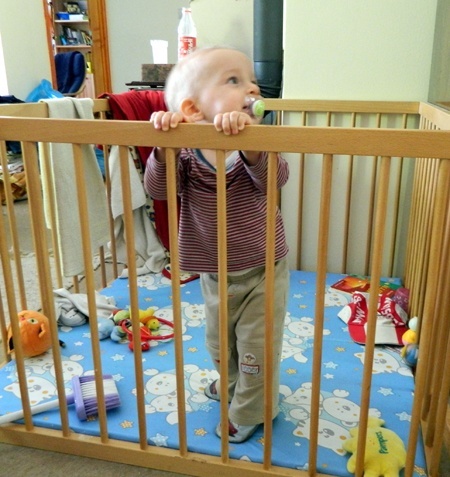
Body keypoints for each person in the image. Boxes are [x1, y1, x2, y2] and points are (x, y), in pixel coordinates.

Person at [144, 47, 290, 443]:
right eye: (234, 81)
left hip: (263, 269)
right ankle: (231, 385)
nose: (252, 88)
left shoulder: (255, 142)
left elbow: (274, 180)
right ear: (192, 109)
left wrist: (252, 144)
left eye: (251, 80)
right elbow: (158, 189)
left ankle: (249, 409)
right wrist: (164, 146)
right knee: (219, 342)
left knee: (256, 348)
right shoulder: (186, 152)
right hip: (214, 271)